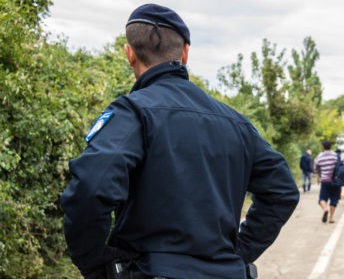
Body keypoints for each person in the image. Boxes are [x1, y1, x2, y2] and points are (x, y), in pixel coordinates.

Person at [60, 4, 299, 279]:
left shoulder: (132, 113)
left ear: (129, 54)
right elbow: (282, 191)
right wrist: (237, 254)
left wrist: (96, 264)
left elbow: (90, 187)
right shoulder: (236, 124)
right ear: (185, 52)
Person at [314, 141, 340, 223]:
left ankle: (325, 209)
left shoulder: (319, 156)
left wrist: (320, 172)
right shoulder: (336, 155)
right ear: (331, 147)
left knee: (322, 199)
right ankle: (331, 218)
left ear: (323, 147)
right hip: (335, 181)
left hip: (325, 181)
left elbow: (315, 169)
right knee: (334, 199)